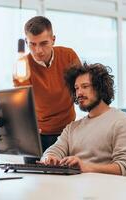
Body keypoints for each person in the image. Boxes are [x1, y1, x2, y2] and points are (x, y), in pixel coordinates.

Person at [40, 63, 126, 177]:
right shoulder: (72, 128)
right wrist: (49, 159)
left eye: (85, 86)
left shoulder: (122, 122)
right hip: (74, 189)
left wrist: (86, 167)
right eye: (76, 88)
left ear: (100, 88)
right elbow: (53, 151)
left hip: (106, 191)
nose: (79, 93)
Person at [13, 16, 81, 152]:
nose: (38, 50)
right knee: (32, 173)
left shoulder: (68, 56)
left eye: (43, 43)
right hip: (38, 133)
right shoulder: (21, 67)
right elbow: (23, 105)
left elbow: (82, 89)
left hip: (68, 131)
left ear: (53, 40)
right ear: (26, 42)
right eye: (32, 44)